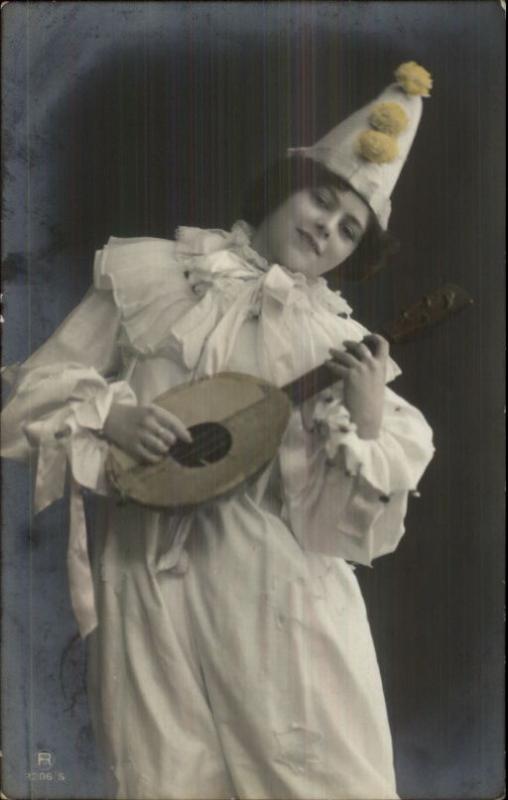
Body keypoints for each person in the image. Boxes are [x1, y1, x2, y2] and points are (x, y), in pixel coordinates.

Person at [1, 62, 435, 799]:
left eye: (349, 229)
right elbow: (28, 398)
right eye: (320, 200)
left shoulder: (336, 340)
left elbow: (338, 528)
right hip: (146, 577)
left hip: (277, 592)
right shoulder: (156, 274)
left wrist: (364, 415)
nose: (326, 227)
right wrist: (116, 420)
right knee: (166, 777)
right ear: (284, 187)